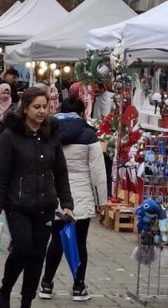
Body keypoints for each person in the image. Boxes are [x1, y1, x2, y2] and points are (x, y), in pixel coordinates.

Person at [0, 86, 74, 308]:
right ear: (25, 108)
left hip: (45, 205)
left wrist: (67, 204)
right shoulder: (10, 136)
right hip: (18, 204)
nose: (42, 111)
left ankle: (27, 301)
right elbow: (1, 173)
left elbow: (61, 173)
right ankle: (5, 289)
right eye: (36, 107)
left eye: (45, 107)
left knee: (37, 257)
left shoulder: (51, 136)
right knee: (23, 249)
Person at [39, 97, 107, 302]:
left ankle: (46, 285)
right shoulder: (88, 134)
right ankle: (78, 286)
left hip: (56, 195)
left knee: (56, 241)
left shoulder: (49, 132)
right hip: (81, 196)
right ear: (82, 112)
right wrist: (101, 200)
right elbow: (98, 172)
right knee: (79, 242)